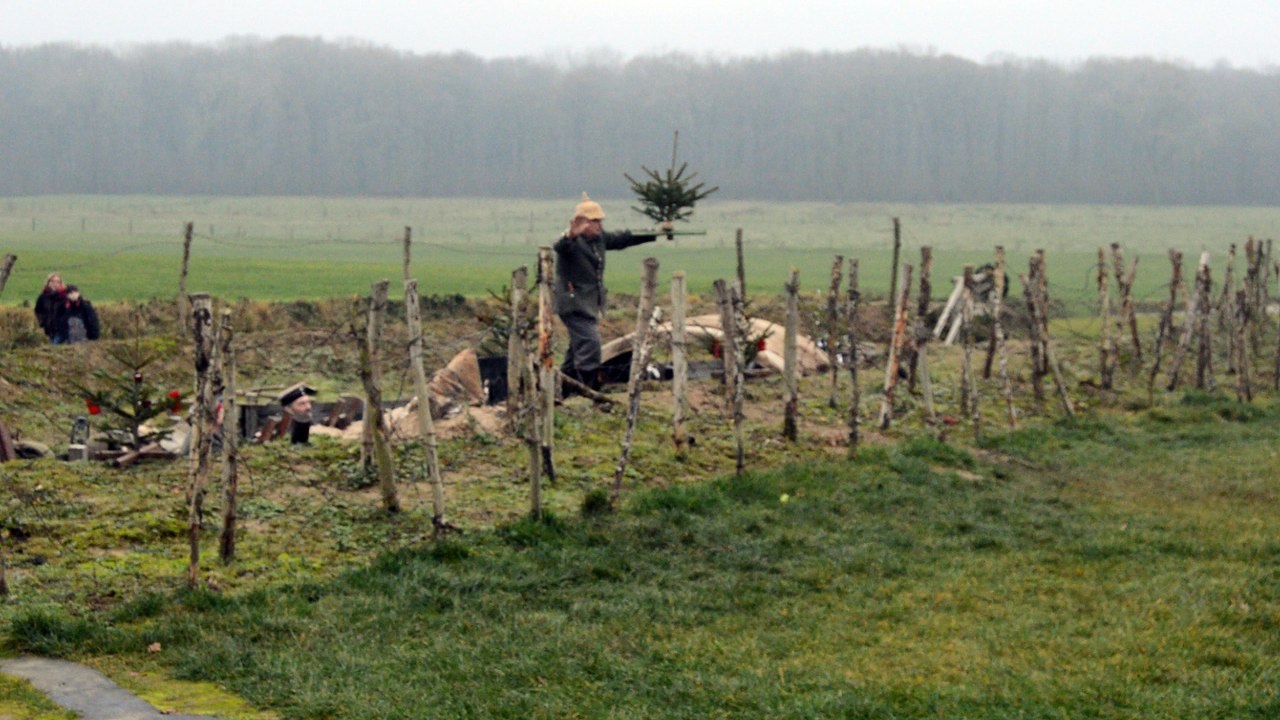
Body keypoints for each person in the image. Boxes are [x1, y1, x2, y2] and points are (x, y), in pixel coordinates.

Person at [553, 193, 671, 391]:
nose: (599, 225)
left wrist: (656, 232)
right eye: (594, 221)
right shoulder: (572, 243)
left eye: (600, 220)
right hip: (573, 304)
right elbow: (560, 246)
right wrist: (571, 234)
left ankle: (561, 389)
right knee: (590, 344)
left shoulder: (599, 239)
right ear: (581, 222)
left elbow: (624, 238)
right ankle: (588, 390)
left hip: (590, 303)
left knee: (576, 350)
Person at [34, 273, 66, 343]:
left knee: (55, 346)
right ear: (48, 283)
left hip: (62, 330)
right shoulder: (43, 297)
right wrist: (42, 323)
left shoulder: (64, 297)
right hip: (49, 329)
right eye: (53, 281)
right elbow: (38, 311)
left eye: (58, 282)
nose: (55, 284)